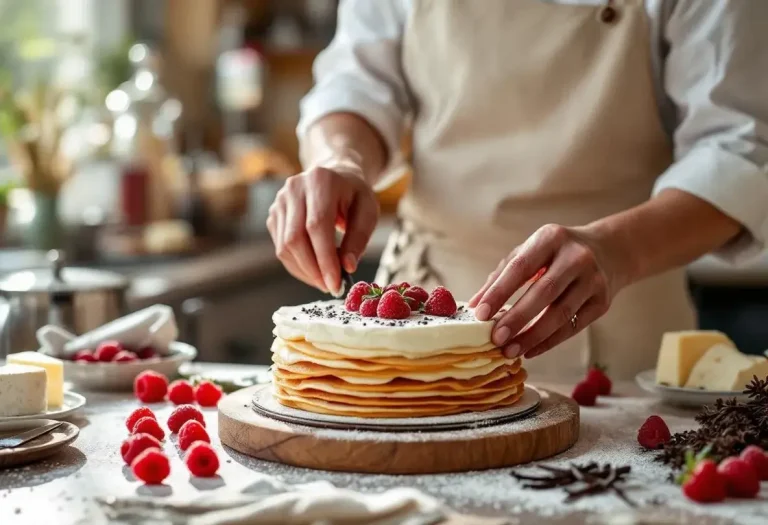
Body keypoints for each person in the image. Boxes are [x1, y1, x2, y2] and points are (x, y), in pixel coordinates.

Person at [267, 0, 768, 379]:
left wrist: (617, 250)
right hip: (415, 332)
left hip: (621, 339)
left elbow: (739, 150)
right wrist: (340, 160)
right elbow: (356, 84)